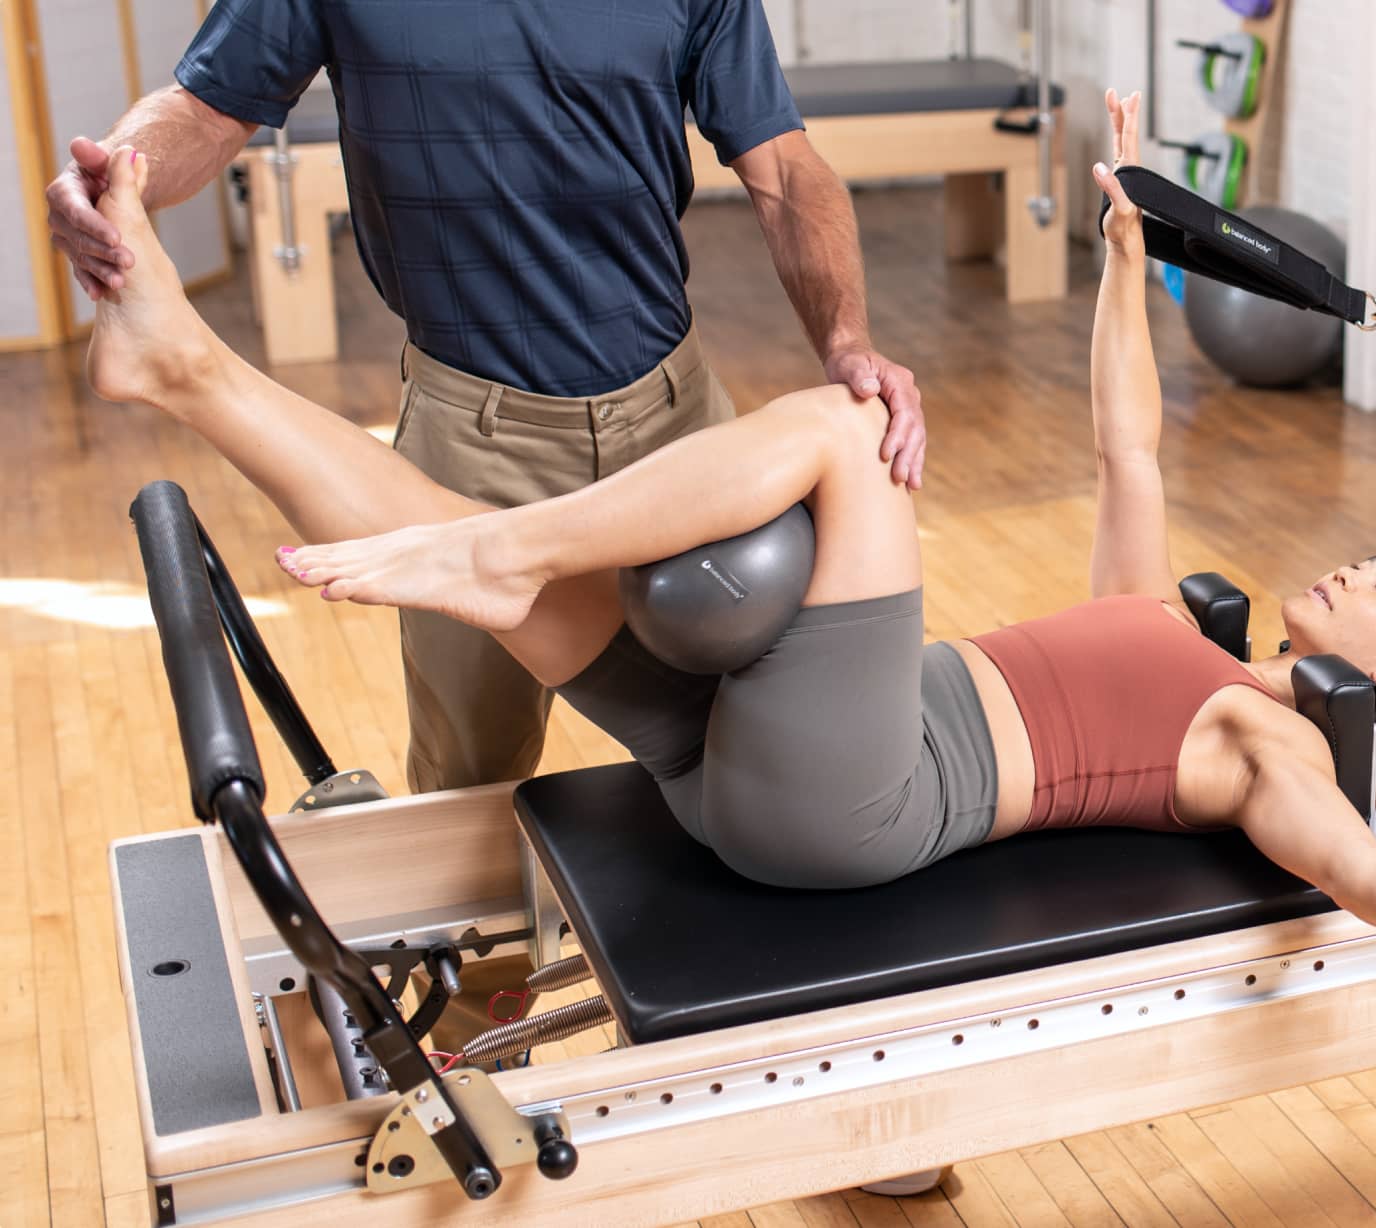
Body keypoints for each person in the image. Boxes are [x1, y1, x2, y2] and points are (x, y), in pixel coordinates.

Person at [85, 92, 1376, 1033]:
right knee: (481, 539)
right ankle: (183, 367)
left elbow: (1372, 874)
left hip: (864, 793)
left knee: (846, 433)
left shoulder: (1264, 742)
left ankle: (495, 550)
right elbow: (1132, 452)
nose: (1352, 568)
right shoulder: (1191, 639)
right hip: (777, 759)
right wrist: (1124, 251)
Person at [48, 0, 926, 794]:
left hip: (678, 424)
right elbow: (202, 107)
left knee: (761, 733)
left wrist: (847, 342)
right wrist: (116, 179)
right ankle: (478, 980)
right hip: (472, 437)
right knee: (472, 773)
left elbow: (783, 167)